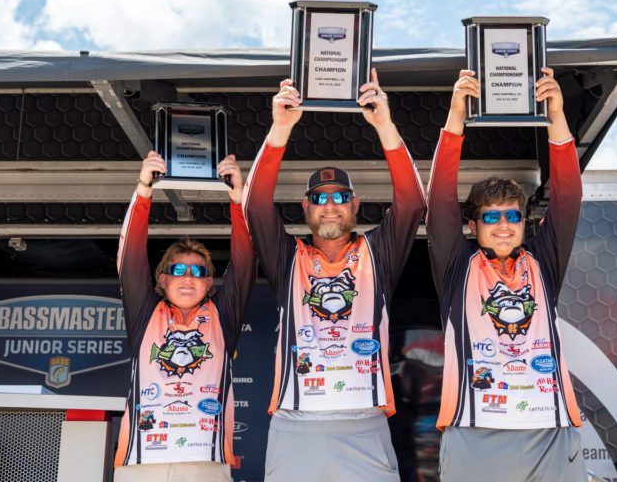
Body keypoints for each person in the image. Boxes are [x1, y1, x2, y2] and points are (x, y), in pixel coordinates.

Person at [243, 69, 426, 482]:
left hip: (364, 424)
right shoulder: (288, 257)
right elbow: (254, 206)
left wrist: (384, 124)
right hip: (295, 423)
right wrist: (280, 129)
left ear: (355, 204)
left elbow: (413, 203)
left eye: (340, 196)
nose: (330, 205)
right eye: (319, 198)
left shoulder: (377, 253)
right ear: (305, 208)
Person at [427, 68, 587, 481]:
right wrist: (456, 115)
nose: (503, 224)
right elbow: (440, 197)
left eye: (512, 215)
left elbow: (568, 197)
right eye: (491, 216)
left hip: (548, 430)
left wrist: (557, 116)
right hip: (474, 429)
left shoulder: (543, 261)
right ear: (472, 225)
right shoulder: (457, 265)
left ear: (525, 221)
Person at [113, 152, 256, 482]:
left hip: (204, 461)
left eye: (198, 271)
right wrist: (144, 191)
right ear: (163, 279)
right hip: (141, 459)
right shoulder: (146, 313)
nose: (188, 277)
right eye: (178, 270)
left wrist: (238, 199)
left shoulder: (222, 314)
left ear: (209, 282)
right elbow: (130, 258)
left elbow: (245, 262)